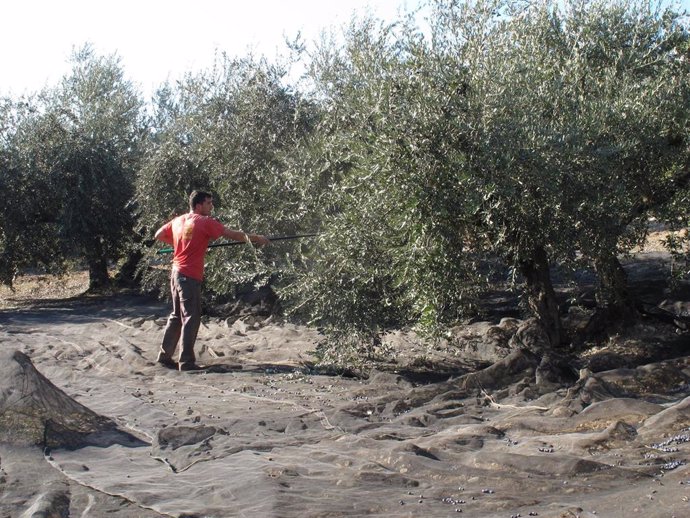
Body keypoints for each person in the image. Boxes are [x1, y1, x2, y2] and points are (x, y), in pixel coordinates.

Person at [154, 190, 270, 371]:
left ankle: (164, 356)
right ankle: (186, 362)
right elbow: (234, 235)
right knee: (191, 318)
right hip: (189, 276)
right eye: (208, 203)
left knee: (177, 316)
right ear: (198, 205)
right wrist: (257, 239)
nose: (211, 206)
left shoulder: (178, 220)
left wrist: (181, 245)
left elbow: (159, 234)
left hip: (176, 273)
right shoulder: (205, 222)